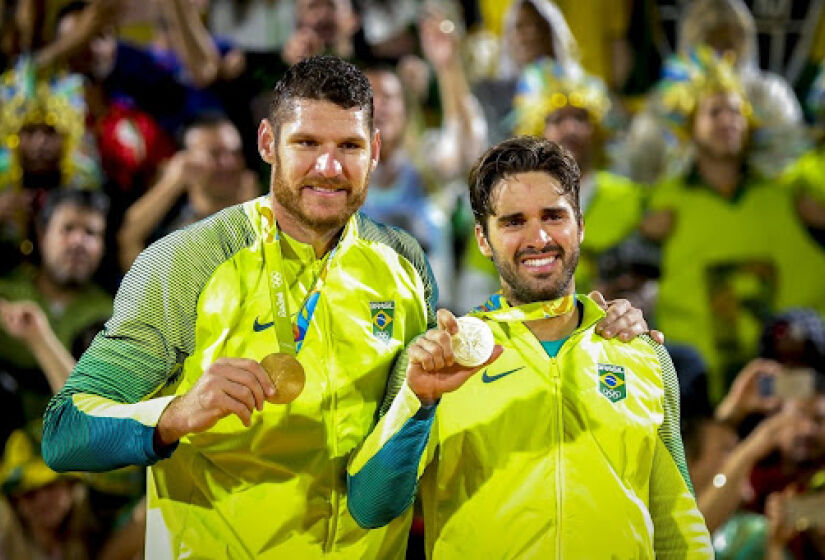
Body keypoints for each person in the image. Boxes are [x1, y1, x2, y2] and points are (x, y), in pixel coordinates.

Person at [42, 56, 653, 558]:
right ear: (267, 142)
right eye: (306, 143)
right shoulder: (186, 263)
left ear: (376, 149)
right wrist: (173, 414)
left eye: (349, 146)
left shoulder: (405, 266)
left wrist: (589, 325)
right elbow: (66, 432)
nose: (329, 168)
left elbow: (378, 496)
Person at [347, 136, 712, 557]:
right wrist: (419, 404)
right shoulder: (441, 360)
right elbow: (370, 507)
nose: (538, 237)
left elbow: (678, 524)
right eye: (514, 221)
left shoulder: (642, 354)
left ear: (581, 225)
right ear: (483, 239)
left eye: (554, 216)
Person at [0, 188, 111, 431]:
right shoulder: (7, 292)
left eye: (91, 233)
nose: (78, 242)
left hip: (77, 456)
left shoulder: (113, 314)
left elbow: (94, 417)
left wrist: (38, 338)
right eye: (67, 229)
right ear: (42, 235)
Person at [117, 113, 259, 271]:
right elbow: (129, 239)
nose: (229, 163)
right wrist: (172, 182)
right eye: (215, 154)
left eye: (235, 152)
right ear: (187, 162)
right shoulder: (176, 242)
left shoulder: (267, 220)